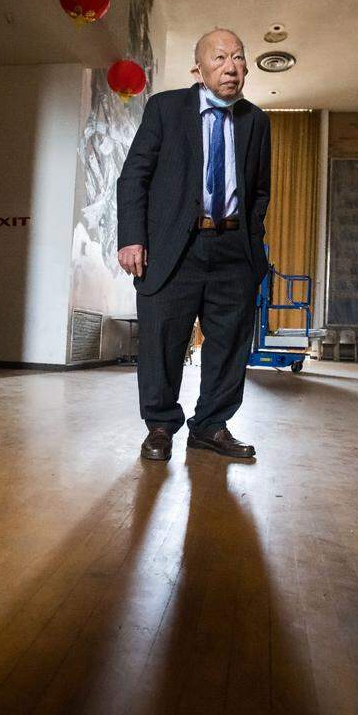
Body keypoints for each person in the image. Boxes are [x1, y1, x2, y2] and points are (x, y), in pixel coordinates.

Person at [116, 28, 271, 461]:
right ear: (198, 69)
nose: (232, 67)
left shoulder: (256, 120)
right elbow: (134, 177)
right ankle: (161, 425)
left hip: (233, 250)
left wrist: (251, 244)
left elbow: (260, 192)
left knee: (228, 343)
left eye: (239, 58)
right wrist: (132, 238)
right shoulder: (166, 109)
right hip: (173, 247)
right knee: (163, 339)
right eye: (220, 58)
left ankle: (211, 426)